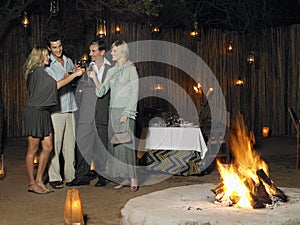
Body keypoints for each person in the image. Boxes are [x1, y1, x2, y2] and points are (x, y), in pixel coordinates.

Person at [22, 46, 84, 194]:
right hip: (34, 113)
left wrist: (69, 75)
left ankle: (39, 180)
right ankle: (32, 183)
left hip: (44, 113)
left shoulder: (41, 72)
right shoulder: (37, 72)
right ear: (39, 57)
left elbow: (56, 83)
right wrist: (75, 75)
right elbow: (55, 86)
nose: (48, 58)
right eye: (46, 56)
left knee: (48, 147)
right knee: (32, 149)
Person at [90, 40, 139, 192]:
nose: (112, 53)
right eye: (112, 51)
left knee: (127, 146)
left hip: (126, 112)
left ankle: (133, 178)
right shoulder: (111, 71)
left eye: (115, 51)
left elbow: (134, 93)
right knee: (116, 147)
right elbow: (102, 91)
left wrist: (126, 113)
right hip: (113, 112)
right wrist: (94, 78)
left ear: (122, 52)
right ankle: (123, 177)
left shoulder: (131, 69)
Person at [66, 39, 112, 187]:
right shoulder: (86, 68)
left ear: (102, 52)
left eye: (93, 51)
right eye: (90, 51)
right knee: (82, 144)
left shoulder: (111, 69)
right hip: (86, 113)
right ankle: (82, 176)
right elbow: (76, 89)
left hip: (102, 112)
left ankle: (102, 177)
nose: (90, 54)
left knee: (101, 146)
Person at [45, 33, 78, 189]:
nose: (58, 50)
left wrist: (75, 76)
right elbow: (54, 87)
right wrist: (69, 78)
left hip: (71, 107)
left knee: (70, 145)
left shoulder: (69, 61)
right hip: (56, 109)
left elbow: (72, 83)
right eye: (54, 47)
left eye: (59, 46)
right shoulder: (47, 65)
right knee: (55, 144)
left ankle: (71, 176)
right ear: (49, 48)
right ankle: (55, 177)